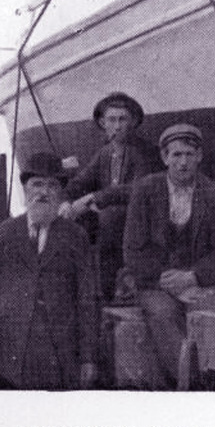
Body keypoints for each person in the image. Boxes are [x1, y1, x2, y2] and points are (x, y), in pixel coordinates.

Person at [0, 152, 98, 390]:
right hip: (11, 353)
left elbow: (88, 299)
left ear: (60, 192)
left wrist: (88, 357)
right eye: (37, 184)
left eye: (52, 185)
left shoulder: (75, 236)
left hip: (61, 354)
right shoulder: (5, 233)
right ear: (25, 189)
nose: (43, 192)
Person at [122, 123, 215, 389]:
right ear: (164, 157)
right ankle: (190, 386)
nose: (183, 163)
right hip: (156, 281)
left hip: (198, 280)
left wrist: (192, 277)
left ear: (200, 156)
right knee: (162, 313)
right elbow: (132, 250)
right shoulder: (145, 191)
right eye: (176, 155)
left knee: (210, 314)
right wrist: (168, 282)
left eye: (189, 155)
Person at [60, 92, 160, 301]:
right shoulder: (105, 153)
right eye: (111, 120)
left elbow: (138, 189)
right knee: (74, 221)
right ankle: (77, 287)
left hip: (143, 219)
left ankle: (110, 291)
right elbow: (80, 182)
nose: (117, 126)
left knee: (110, 216)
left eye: (122, 119)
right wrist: (66, 202)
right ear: (102, 123)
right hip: (111, 218)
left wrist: (94, 198)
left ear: (132, 122)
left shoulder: (144, 151)